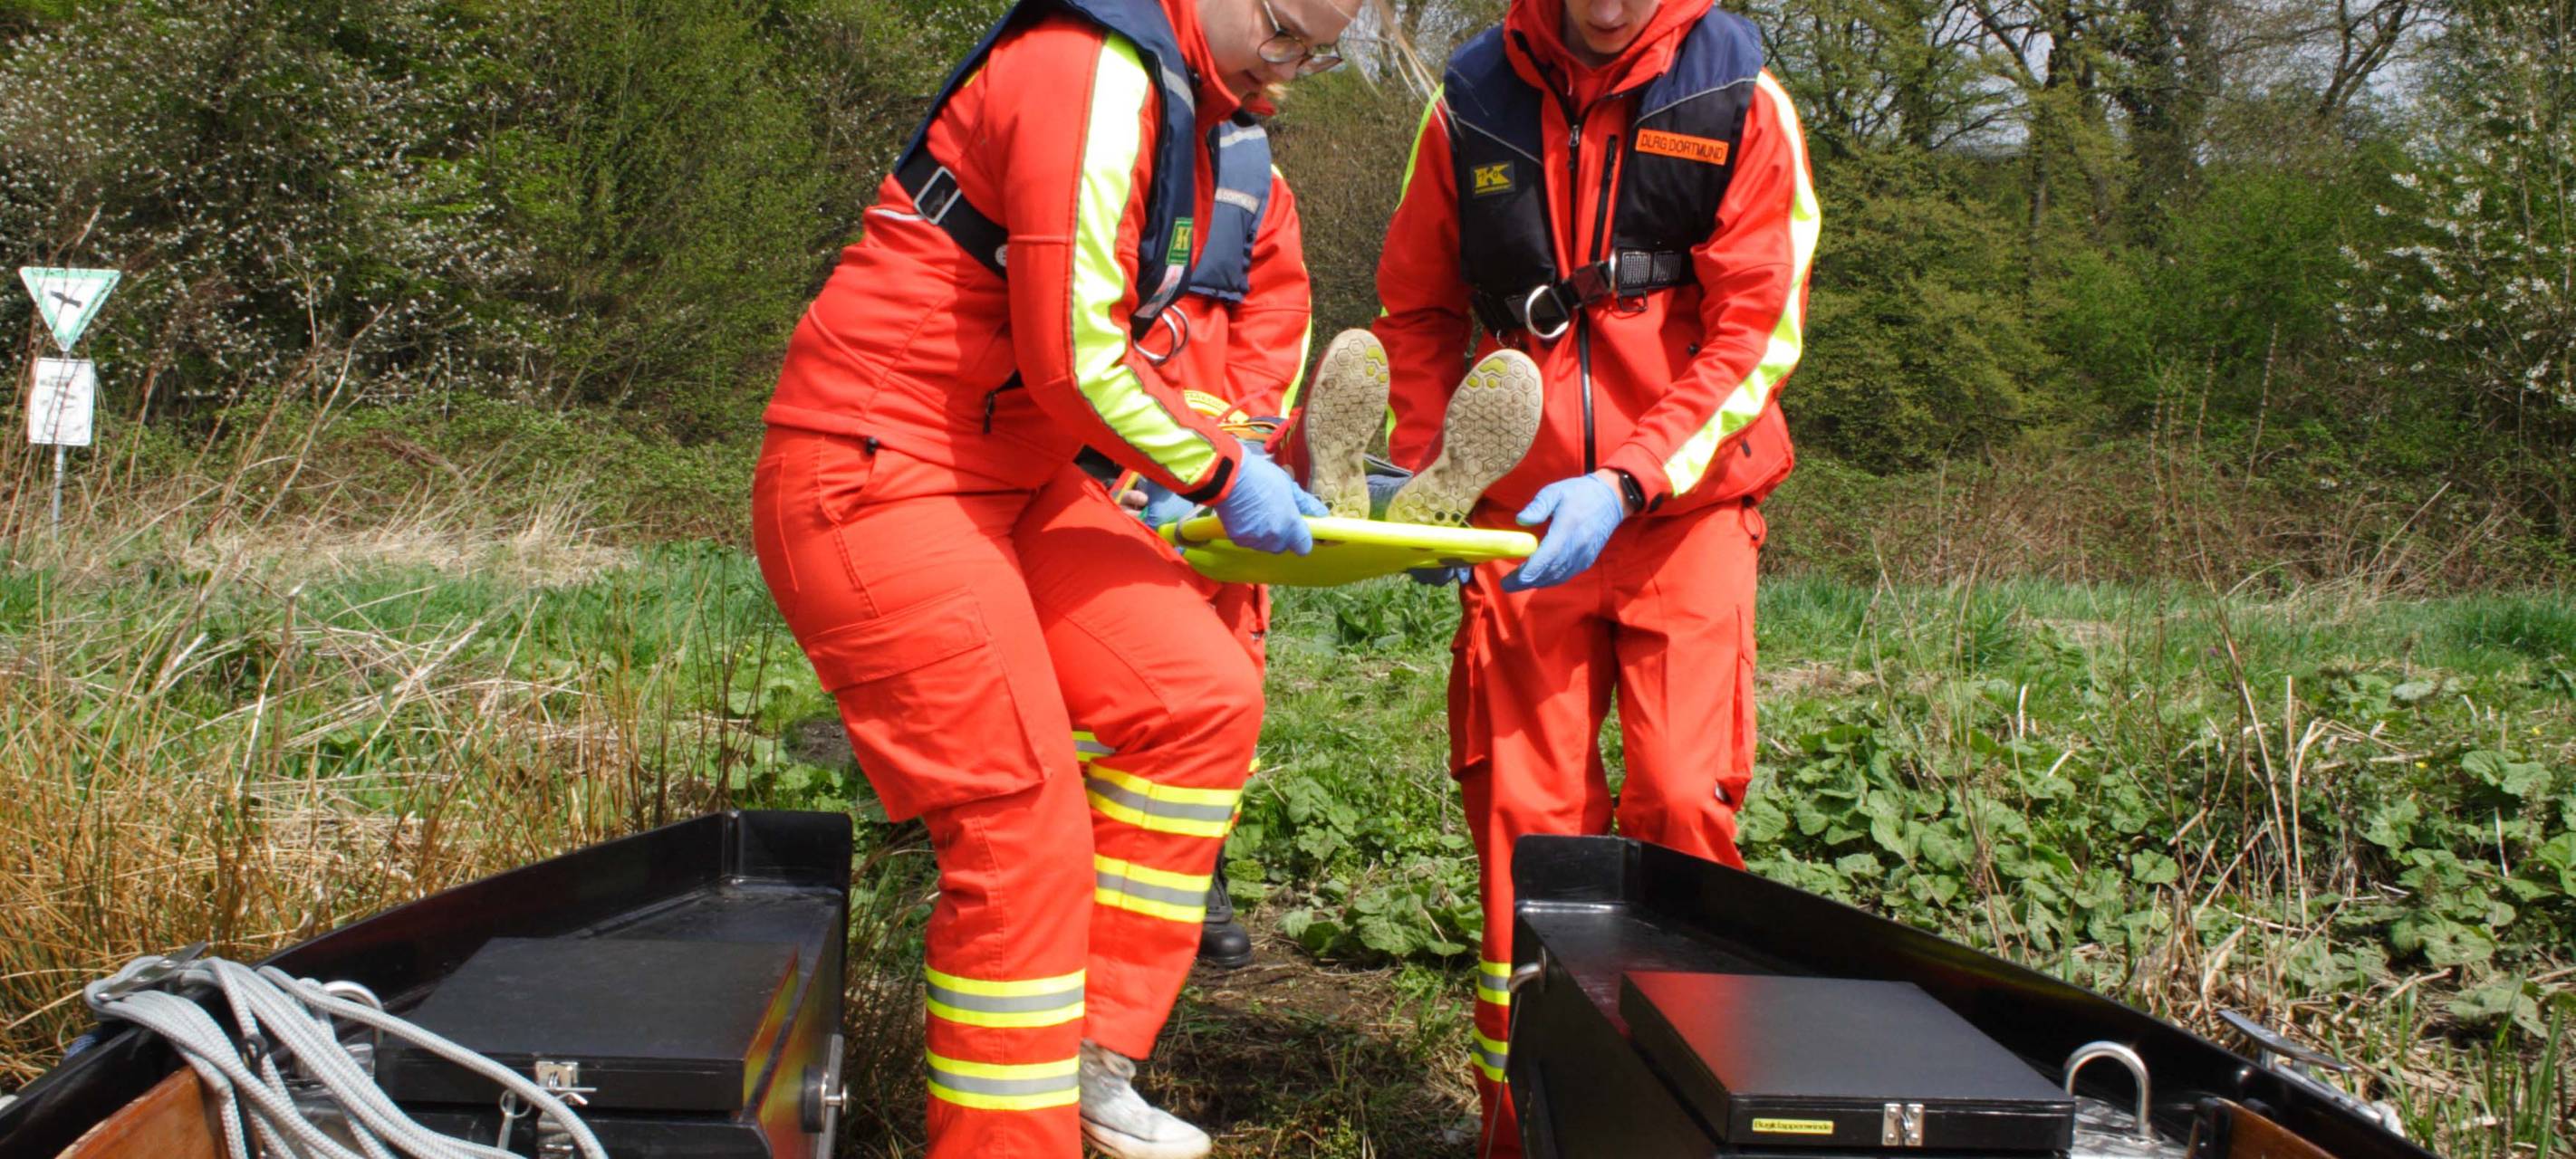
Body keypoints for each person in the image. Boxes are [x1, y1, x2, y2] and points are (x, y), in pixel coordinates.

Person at [747, 0, 1354, 1151]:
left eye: (1318, 54)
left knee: (1200, 697)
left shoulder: (1197, 109)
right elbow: (1074, 355)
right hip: (879, 466)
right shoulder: (1090, 68)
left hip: (1018, 478)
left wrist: (1220, 448)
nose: (1289, 70)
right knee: (1021, 830)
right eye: (1284, 32)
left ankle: (1085, 1060)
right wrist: (1222, 470)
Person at [1359, 0, 1821, 1150]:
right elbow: (1417, 310)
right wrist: (1428, 480)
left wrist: (1629, 476)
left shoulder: (1741, 97)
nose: (1607, 10)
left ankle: (1674, 1129)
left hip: (1684, 514)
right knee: (1529, 836)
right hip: (1520, 531)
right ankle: (1527, 1128)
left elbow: (1758, 330)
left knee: (1681, 803)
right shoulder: (1468, 103)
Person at [1111, 113, 1314, 971]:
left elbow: (1278, 323)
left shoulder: (1257, 179)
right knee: (1095, 671)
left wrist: (1237, 446)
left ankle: (1198, 864)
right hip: (1101, 438)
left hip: (1217, 458)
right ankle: (1083, 856)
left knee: (1227, 660)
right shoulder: (1101, 131)